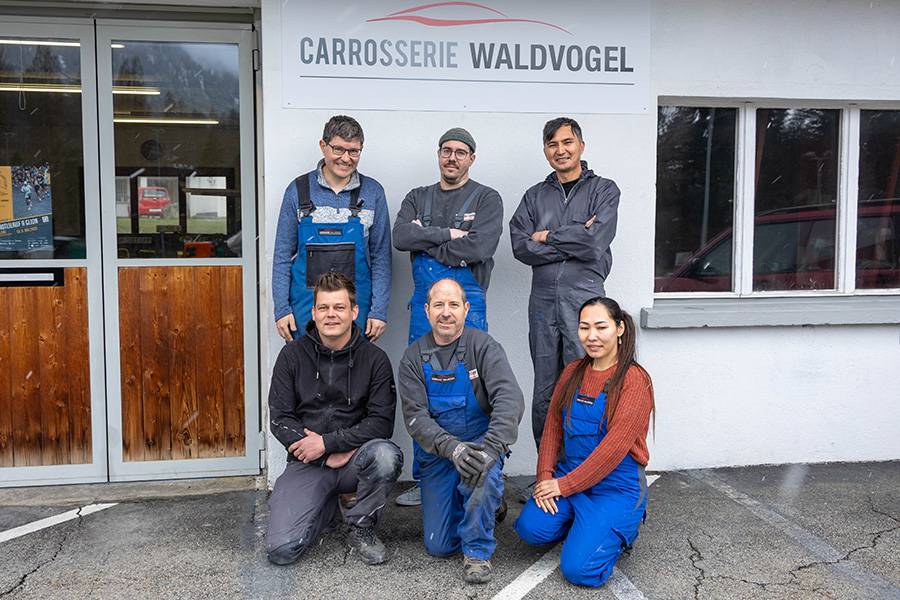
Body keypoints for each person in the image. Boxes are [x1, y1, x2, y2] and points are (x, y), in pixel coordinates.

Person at [392, 127, 504, 506]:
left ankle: (477, 468)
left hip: (468, 304)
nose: (452, 157)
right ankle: (427, 482)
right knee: (423, 390)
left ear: (472, 158)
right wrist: (451, 235)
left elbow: (481, 245)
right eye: (446, 151)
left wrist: (430, 239)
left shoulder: (487, 198)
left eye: (460, 152)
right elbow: (401, 237)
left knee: (471, 389)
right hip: (424, 309)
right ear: (438, 155)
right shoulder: (416, 197)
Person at [514, 297, 654, 588]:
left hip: (616, 486)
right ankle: (585, 527)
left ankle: (619, 529)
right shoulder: (573, 371)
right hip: (572, 475)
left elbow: (612, 450)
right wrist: (545, 478)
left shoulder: (634, 380)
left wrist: (561, 487)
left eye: (601, 327)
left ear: (619, 329)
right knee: (531, 529)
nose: (591, 336)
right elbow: (552, 426)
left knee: (580, 570)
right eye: (584, 327)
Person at [266, 271, 403, 566]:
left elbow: (381, 422)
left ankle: (362, 527)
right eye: (324, 308)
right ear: (313, 312)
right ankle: (323, 506)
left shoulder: (375, 360)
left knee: (386, 455)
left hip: (354, 460)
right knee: (282, 551)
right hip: (308, 461)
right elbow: (279, 419)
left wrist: (330, 444)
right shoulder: (291, 355)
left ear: (354, 312)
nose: (331, 315)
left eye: (339, 308)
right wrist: (321, 454)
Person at [398, 278, 524, 583]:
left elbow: (510, 400)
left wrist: (491, 449)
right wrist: (452, 448)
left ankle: (478, 553)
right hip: (440, 456)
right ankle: (485, 506)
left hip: (481, 447)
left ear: (466, 309)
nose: (446, 312)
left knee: (480, 475)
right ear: (426, 311)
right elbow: (415, 417)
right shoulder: (413, 358)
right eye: (438, 305)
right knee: (439, 546)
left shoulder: (483, 347)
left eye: (453, 304)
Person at [509, 117, 621, 451]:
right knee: (546, 389)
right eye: (552, 144)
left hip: (584, 300)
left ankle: (582, 466)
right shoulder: (534, 196)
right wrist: (574, 238)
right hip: (542, 303)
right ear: (545, 151)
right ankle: (548, 469)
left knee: (587, 381)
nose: (561, 150)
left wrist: (547, 236)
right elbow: (519, 245)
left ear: (581, 146)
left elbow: (593, 243)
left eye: (567, 142)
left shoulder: (604, 189)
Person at [272, 115, 392, 344]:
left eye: (354, 151)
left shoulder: (373, 192)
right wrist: (282, 308)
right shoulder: (297, 190)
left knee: (354, 375)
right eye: (338, 149)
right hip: (305, 310)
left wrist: (378, 311)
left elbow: (381, 259)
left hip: (357, 311)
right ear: (323, 146)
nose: (346, 158)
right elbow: (282, 256)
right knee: (306, 375)